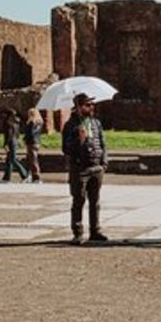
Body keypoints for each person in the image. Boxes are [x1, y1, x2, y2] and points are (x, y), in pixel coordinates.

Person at [61, 92, 108, 245]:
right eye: (88, 105)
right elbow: (66, 149)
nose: (91, 107)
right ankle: (78, 232)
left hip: (96, 167)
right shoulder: (71, 125)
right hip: (80, 168)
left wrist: (103, 163)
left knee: (95, 201)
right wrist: (78, 139)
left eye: (92, 104)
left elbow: (102, 143)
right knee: (79, 201)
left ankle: (95, 230)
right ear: (79, 107)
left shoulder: (95, 123)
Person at [0, 109, 30, 183]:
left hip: (11, 142)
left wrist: (6, 144)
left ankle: (25, 175)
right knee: (9, 160)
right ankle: (6, 178)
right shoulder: (16, 123)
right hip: (15, 141)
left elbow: (9, 135)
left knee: (13, 159)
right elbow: (17, 134)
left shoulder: (8, 123)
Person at [22, 107, 43, 184]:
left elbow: (30, 133)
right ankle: (29, 176)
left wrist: (25, 139)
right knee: (30, 160)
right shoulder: (39, 122)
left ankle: (36, 177)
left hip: (31, 143)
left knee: (33, 160)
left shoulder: (32, 122)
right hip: (36, 142)